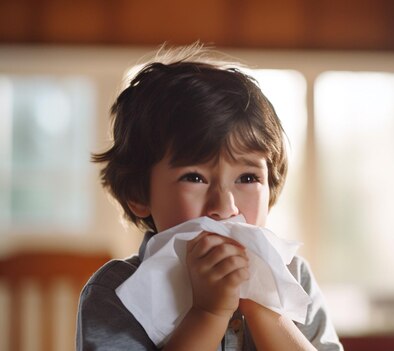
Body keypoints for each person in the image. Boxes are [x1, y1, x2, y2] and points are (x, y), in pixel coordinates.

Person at [76, 45, 343, 351]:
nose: (225, 207)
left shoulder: (294, 277)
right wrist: (208, 313)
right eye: (195, 177)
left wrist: (263, 304)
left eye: (247, 178)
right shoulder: (117, 290)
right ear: (139, 193)